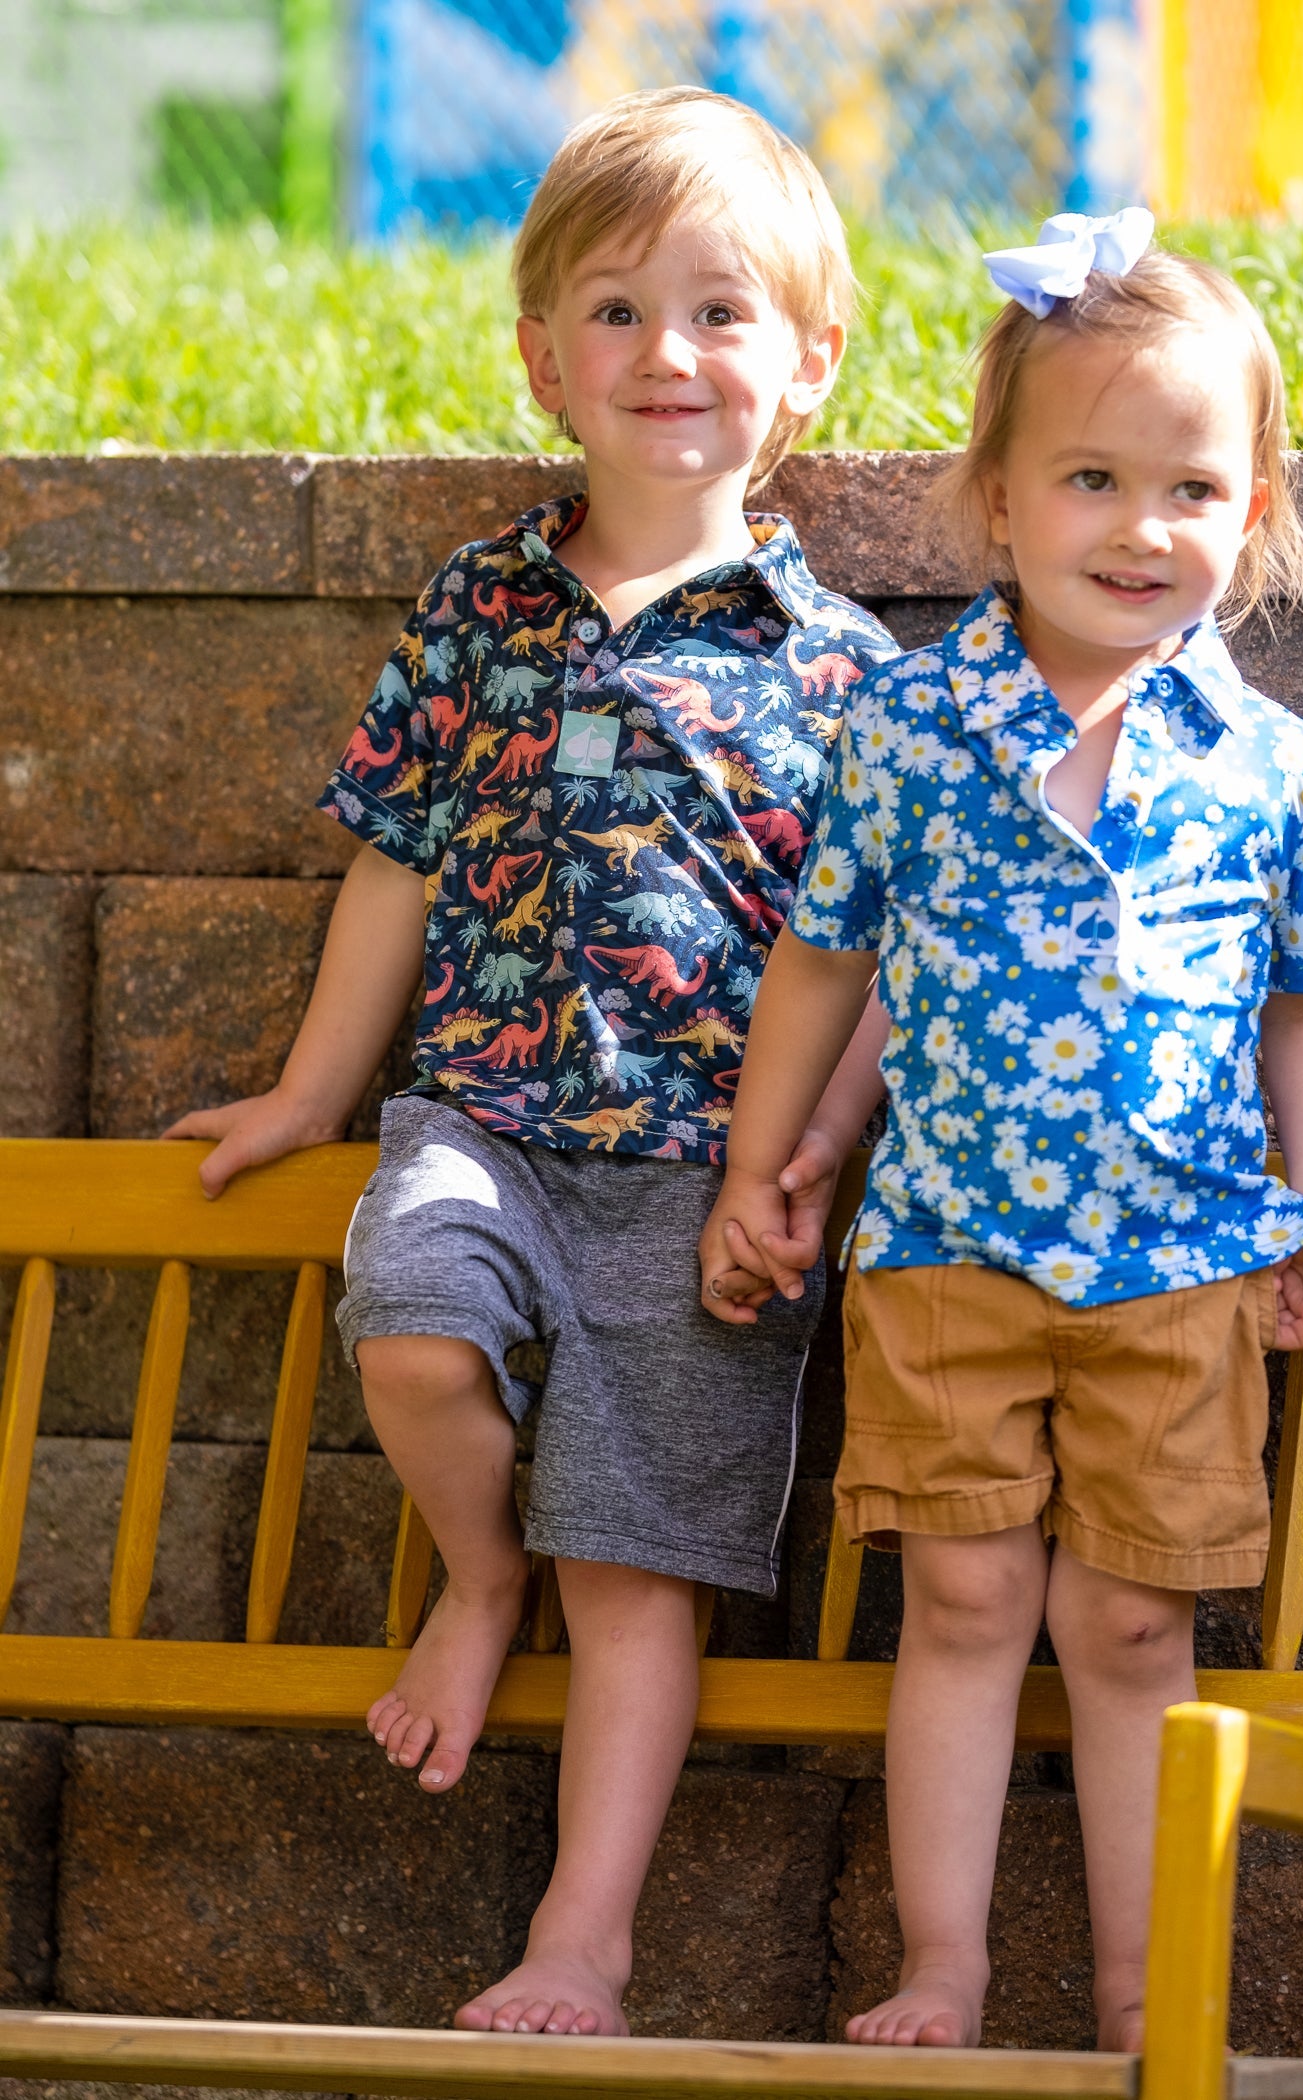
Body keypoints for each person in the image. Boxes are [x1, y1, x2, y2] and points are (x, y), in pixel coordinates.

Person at [165, 87, 899, 2038]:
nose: (670, 351)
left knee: (642, 1564)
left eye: (724, 312)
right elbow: (395, 870)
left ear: (811, 362)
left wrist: (800, 1164)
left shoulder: (849, 676)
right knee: (409, 1324)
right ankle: (478, 1578)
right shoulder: (478, 609)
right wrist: (320, 1096)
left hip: (696, 1169)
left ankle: (583, 1937)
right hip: (479, 1118)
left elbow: (870, 964)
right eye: (617, 309)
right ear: (541, 355)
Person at [700, 210, 1303, 2055]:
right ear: (996, 497)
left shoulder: (1272, 768)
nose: (1140, 527)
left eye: (1189, 487)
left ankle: (1150, 1989)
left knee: (1136, 1633)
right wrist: (772, 1167)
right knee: (971, 1598)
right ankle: (944, 1964)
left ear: (1248, 514)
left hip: (1182, 1269)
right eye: (1091, 477)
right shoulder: (912, 731)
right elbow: (823, 967)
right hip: (941, 1254)